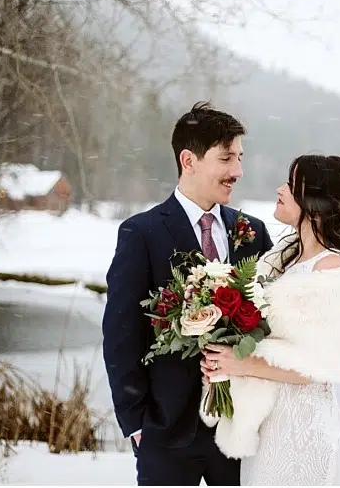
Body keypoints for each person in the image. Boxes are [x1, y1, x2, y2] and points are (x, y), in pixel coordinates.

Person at [200, 154, 340, 485]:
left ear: (317, 205)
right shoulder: (285, 257)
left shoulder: (335, 270)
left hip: (303, 430)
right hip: (273, 423)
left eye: (292, 186)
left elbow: (317, 366)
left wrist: (241, 363)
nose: (281, 189)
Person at [102, 101, 274, 486]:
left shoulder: (253, 232)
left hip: (239, 435)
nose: (237, 172)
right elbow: (121, 335)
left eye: (240, 159)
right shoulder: (141, 233)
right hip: (165, 433)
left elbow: (271, 323)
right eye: (226, 158)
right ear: (189, 160)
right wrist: (136, 422)